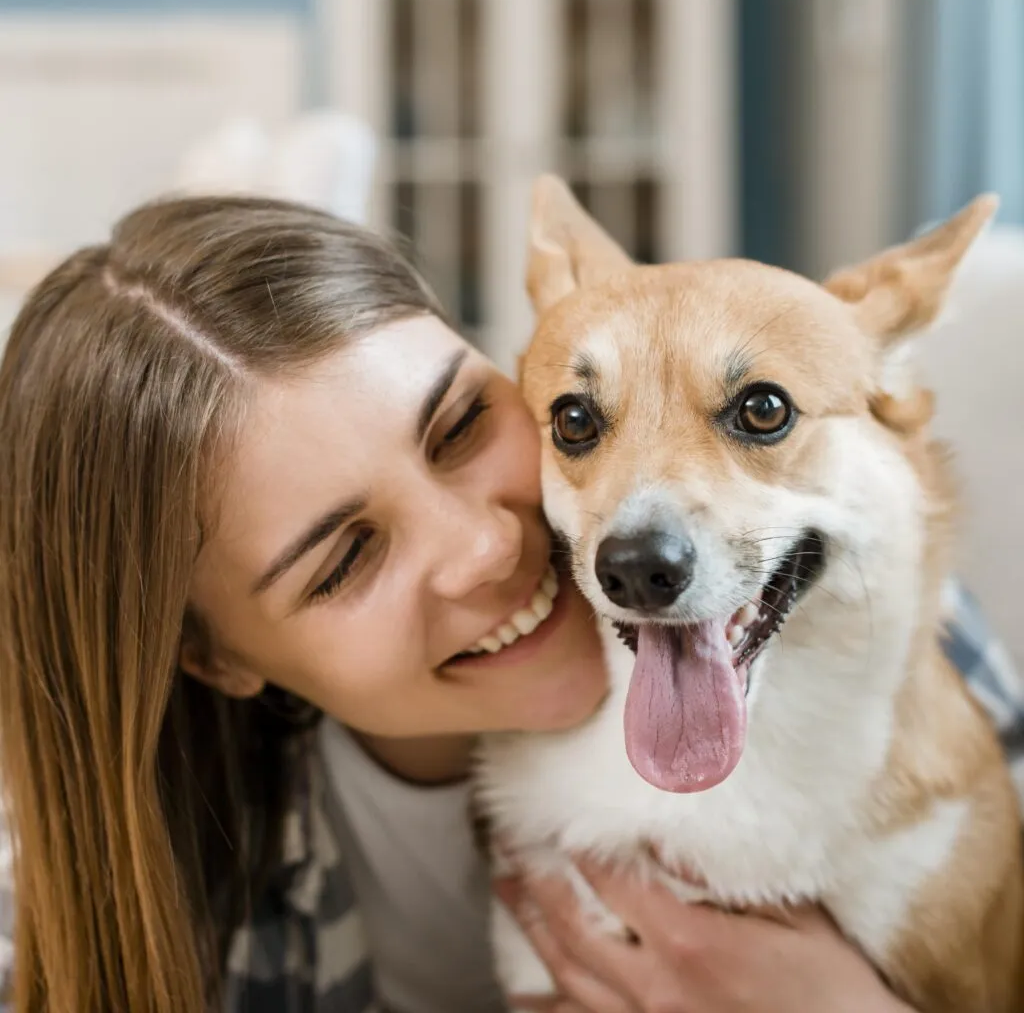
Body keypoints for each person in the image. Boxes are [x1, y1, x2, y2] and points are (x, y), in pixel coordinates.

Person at [0, 195, 1018, 1013]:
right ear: (215, 656)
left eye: (457, 427)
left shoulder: (865, 612)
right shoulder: (105, 898)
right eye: (345, 559)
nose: (488, 547)